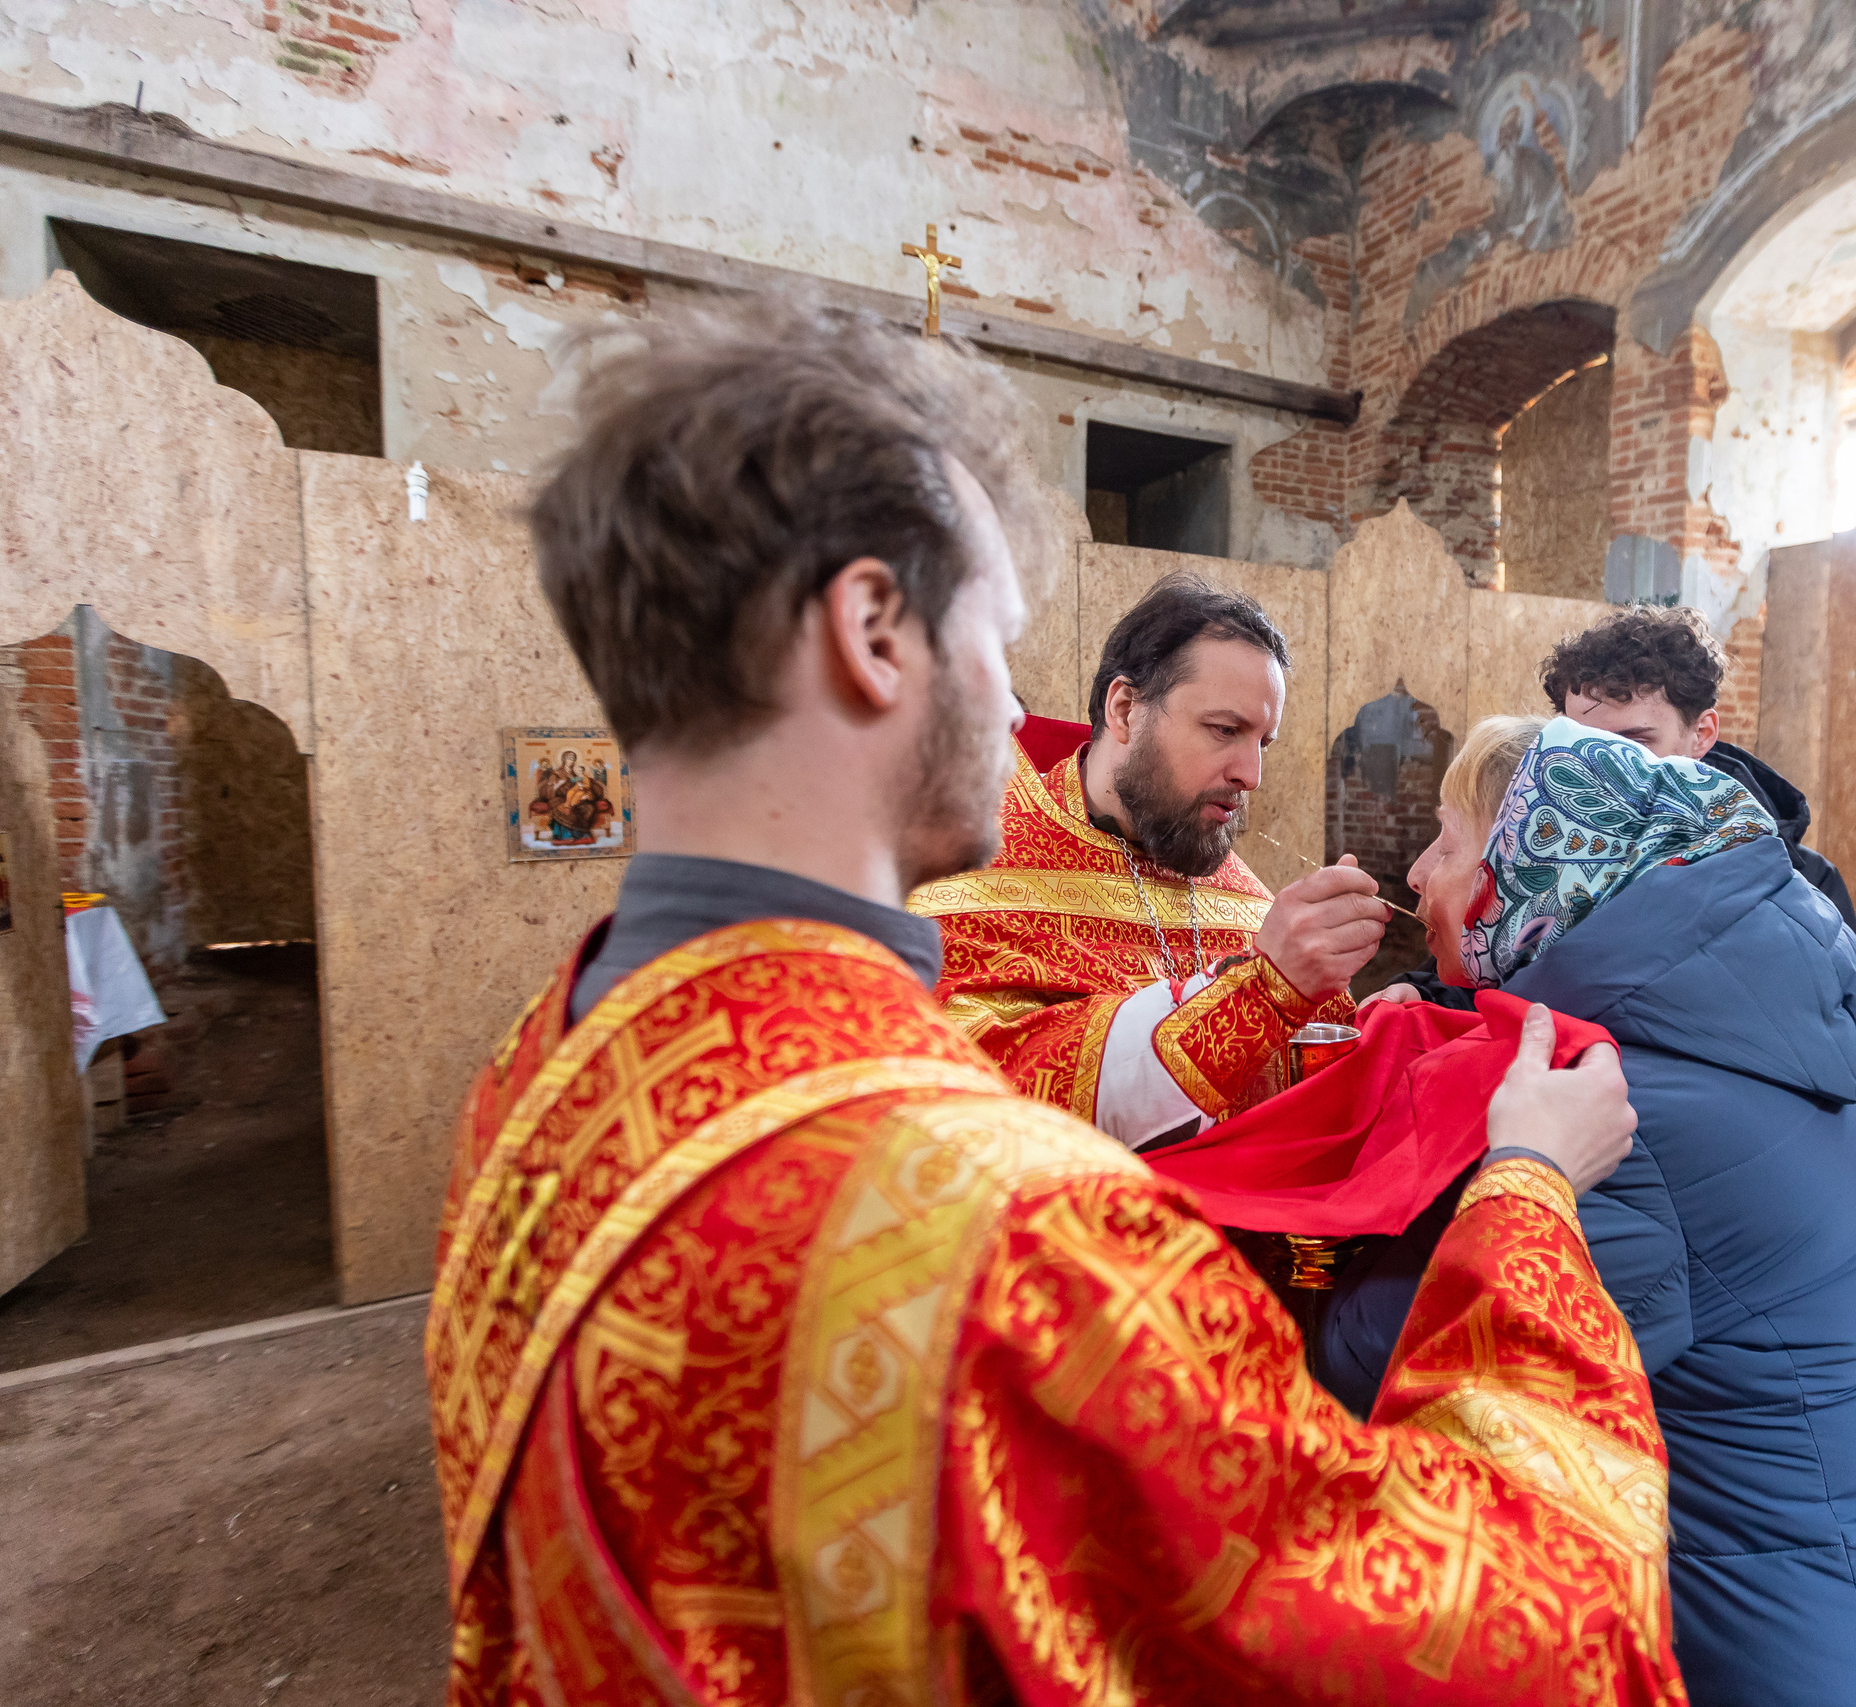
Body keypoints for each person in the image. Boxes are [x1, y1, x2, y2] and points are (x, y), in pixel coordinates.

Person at [426, 299, 1690, 1706]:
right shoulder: (1013, 1231)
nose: (1012, 703)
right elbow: (1526, 1628)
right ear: (873, 632)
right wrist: (1527, 1186)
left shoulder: (542, 1061)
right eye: (998, 637)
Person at [1350, 716, 1856, 1707]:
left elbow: (1401, 1357)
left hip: (1804, 1648)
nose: (1413, 874)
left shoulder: (1625, 1116)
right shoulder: (1745, 1018)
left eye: (1448, 843)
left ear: (1534, 869)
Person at [913, 574, 1390, 1147]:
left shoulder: (1246, 899)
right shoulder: (970, 867)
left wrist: (1379, 1032)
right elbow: (975, 1094)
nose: (1251, 775)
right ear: (1125, 709)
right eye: (1224, 730)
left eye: (1262, 742)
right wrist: (1261, 993)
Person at [1382, 604, 1856, 1099]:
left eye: (1635, 744)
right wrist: (1426, 995)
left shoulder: (1795, 881)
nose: (1602, 770)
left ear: (1702, 734)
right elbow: (1484, 982)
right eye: (1581, 745)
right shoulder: (1538, 867)